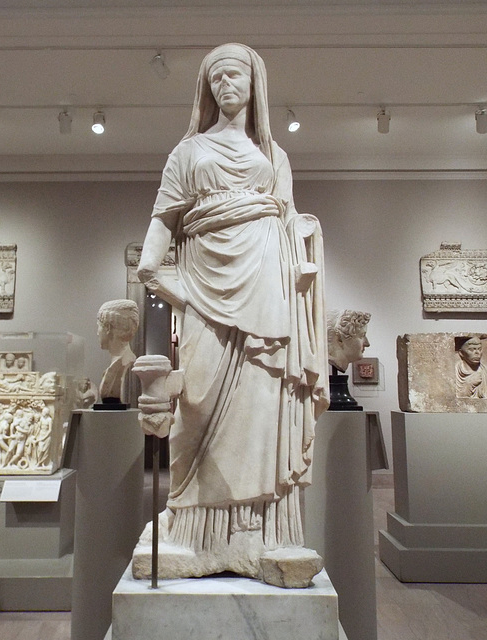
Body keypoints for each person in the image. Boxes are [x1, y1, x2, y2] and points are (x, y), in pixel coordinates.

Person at [137, 43, 329, 581]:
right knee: (194, 407)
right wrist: (179, 292)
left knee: (262, 406)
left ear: (254, 84)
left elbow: (291, 225)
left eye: (235, 75)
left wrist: (306, 242)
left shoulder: (275, 157)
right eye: (215, 77)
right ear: (206, 88)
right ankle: (192, 531)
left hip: (267, 291)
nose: (225, 85)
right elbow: (157, 240)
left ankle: (261, 532)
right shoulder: (187, 152)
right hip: (206, 292)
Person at [97, 299, 139, 403]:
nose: (97, 333)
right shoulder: (117, 364)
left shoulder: (123, 364)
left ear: (107, 327)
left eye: (98, 326)